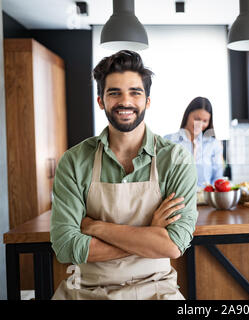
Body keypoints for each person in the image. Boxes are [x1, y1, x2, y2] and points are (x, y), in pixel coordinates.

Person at [50, 50, 198, 300]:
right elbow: (66, 247)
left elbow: (173, 245)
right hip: (85, 291)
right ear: (101, 101)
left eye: (135, 92)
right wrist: (149, 235)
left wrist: (95, 227)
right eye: (114, 92)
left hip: (157, 289)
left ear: (147, 101)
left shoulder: (175, 159)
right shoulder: (74, 162)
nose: (125, 101)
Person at [164, 97, 224, 187]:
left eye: (205, 121)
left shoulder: (213, 144)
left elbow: (218, 178)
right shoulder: (169, 141)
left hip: (205, 198)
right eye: (197, 119)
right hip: (178, 198)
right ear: (187, 115)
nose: (199, 124)